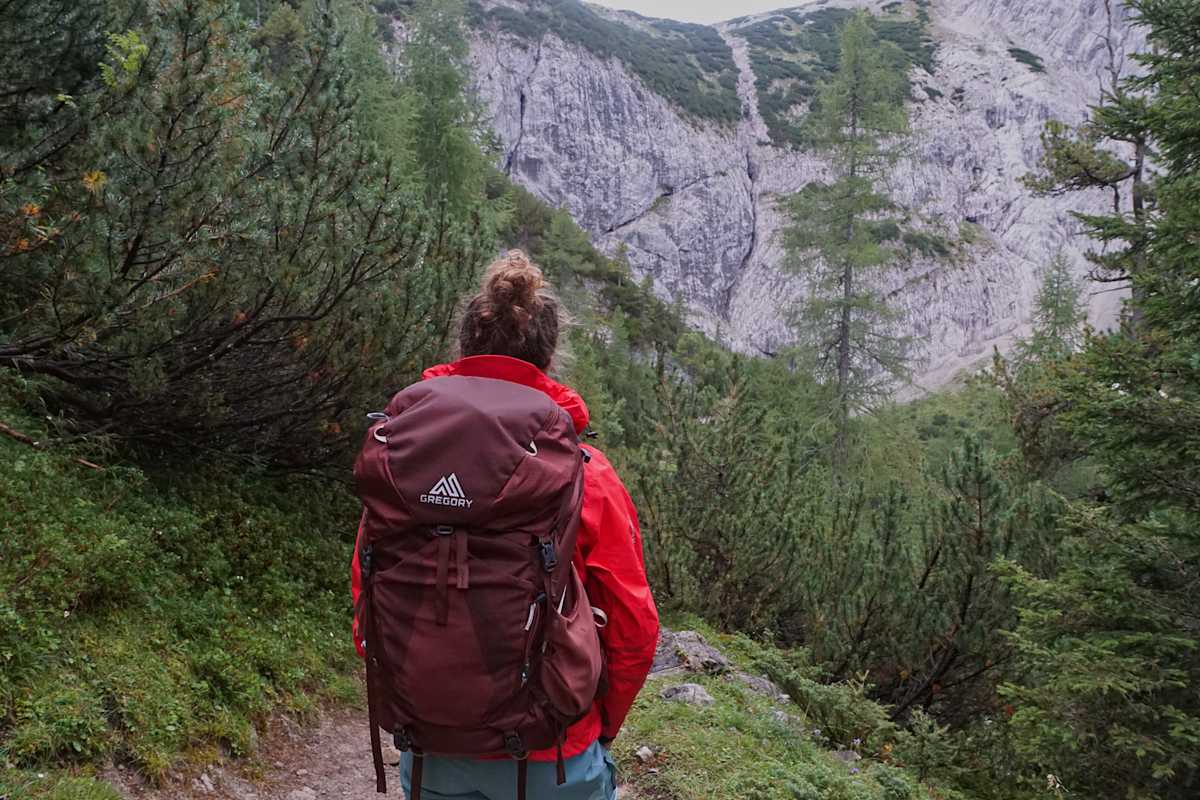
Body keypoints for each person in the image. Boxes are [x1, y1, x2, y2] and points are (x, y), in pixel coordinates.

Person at [350, 249, 659, 800]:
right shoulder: (584, 473)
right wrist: (596, 725)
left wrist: (425, 690)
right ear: (547, 358)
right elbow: (634, 628)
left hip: (431, 747)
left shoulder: (404, 457)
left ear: (465, 349)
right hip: (554, 752)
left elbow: (366, 593)